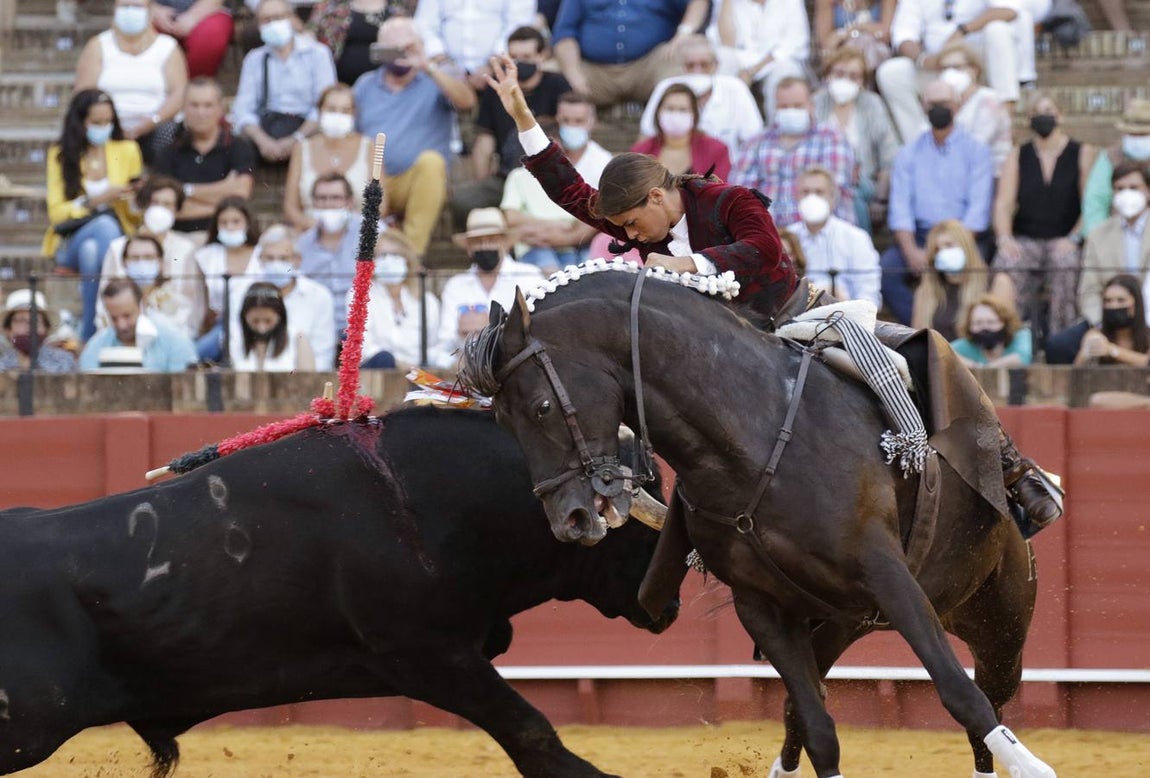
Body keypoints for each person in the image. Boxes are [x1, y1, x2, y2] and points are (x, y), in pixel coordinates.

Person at [487, 55, 797, 319]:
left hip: (787, 319)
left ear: (656, 196)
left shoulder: (732, 199)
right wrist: (522, 116)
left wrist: (686, 264)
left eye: (632, 224)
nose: (630, 235)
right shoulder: (639, 220)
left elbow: (766, 248)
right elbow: (570, 191)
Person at [353, 17, 476, 256]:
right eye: (395, 48)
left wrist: (427, 65)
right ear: (381, 50)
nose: (402, 54)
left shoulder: (435, 81)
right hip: (374, 177)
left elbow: (467, 101)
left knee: (432, 163)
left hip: (417, 181)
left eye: (409, 47)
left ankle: (410, 256)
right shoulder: (365, 85)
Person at [881, 79, 994, 325]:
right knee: (888, 270)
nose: (938, 109)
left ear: (958, 104)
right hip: (920, 236)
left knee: (980, 272)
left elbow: (978, 210)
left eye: (944, 103)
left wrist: (954, 243)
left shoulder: (977, 151)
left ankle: (964, 330)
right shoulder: (908, 153)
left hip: (965, 236)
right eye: (932, 104)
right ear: (923, 106)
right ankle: (923, 332)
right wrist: (912, 250)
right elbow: (899, 209)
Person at [993, 91, 1095, 338]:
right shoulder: (1019, 154)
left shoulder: (1082, 152)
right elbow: (1003, 204)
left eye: (1049, 112)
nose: (1043, 118)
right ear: (1029, 119)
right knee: (1006, 262)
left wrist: (1073, 238)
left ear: (1060, 115)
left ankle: (1061, 337)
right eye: (1037, 113)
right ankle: (1010, 335)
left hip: (1065, 237)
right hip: (1027, 237)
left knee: (1067, 264)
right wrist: (1005, 238)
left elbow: (1090, 205)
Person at [44, 89, 143, 342]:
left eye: (108, 122)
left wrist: (131, 199)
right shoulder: (60, 154)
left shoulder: (127, 149)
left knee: (92, 252)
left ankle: (89, 334)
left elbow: (134, 217)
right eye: (96, 123)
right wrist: (96, 200)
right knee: (103, 226)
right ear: (80, 123)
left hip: (115, 235)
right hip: (70, 239)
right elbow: (57, 214)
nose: (104, 128)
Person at [453, 26, 570, 230]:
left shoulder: (558, 85)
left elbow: (572, 127)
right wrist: (482, 180)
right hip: (507, 177)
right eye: (514, 56)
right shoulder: (496, 90)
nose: (519, 62)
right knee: (465, 201)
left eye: (526, 56)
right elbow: (484, 142)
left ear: (542, 55)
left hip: (549, 175)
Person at [876, 0, 1037, 143]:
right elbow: (903, 36)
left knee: (998, 30)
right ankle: (919, 144)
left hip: (978, 60)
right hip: (937, 63)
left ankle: (1005, 117)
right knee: (891, 72)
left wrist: (963, 31)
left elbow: (1009, 10)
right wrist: (923, 60)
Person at [731, 76, 857, 231]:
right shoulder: (755, 143)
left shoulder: (832, 138)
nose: (791, 111)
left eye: (798, 106)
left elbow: (835, 191)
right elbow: (741, 194)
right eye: (784, 106)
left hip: (819, 230)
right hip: (766, 233)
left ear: (811, 105)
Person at [74, 0, 187, 163]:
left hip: (154, 127)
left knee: (170, 133)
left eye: (137, 6)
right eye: (125, 6)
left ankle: (161, 183)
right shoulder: (98, 45)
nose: (130, 11)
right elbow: (83, 94)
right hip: (107, 127)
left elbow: (179, 93)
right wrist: (108, 123)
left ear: (150, 11)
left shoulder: (167, 47)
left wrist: (150, 122)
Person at [431, 208, 546, 368]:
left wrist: (488, 326)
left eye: (492, 240)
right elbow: (445, 342)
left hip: (517, 368)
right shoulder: (456, 286)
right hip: (469, 370)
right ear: (469, 248)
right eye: (478, 242)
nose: (485, 246)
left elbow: (538, 331)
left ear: (505, 243)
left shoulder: (529, 276)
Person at [99, 175, 206, 340]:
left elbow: (192, 307)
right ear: (144, 206)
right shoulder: (117, 248)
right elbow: (103, 302)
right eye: (155, 203)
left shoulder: (185, 250)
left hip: (172, 337)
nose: (160, 209)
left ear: (177, 211)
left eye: (167, 204)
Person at [501, 112, 609, 275]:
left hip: (573, 245)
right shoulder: (518, 176)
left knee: (590, 275)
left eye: (551, 145)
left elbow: (590, 214)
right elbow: (511, 216)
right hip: (535, 245)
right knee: (552, 275)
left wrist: (567, 235)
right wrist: (555, 226)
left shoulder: (572, 175)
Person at [232, 0, 338, 165]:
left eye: (278, 17)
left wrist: (296, 139)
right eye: (266, 19)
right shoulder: (255, 59)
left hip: (306, 130)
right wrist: (263, 141)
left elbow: (324, 105)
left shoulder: (317, 54)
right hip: (266, 130)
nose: (273, 23)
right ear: (258, 25)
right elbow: (242, 109)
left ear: (292, 18)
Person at [153, 78, 257, 241]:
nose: (201, 112)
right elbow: (166, 208)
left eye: (208, 105)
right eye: (194, 105)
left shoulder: (238, 146)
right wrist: (223, 198)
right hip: (177, 237)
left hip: (223, 237)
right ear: (183, 108)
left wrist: (185, 191)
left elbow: (240, 194)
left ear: (220, 109)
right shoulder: (168, 151)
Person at [551, 0, 709, 105]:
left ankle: (665, 140)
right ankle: (551, 147)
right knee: (548, 73)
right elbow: (564, 32)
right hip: (595, 72)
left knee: (680, 59)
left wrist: (683, 34)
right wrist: (572, 72)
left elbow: (696, 2)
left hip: (648, 66)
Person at [811, 46, 901, 232]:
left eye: (853, 76)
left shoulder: (872, 104)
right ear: (828, 74)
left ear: (862, 81)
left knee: (853, 199)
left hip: (861, 182)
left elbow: (889, 155)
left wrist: (881, 199)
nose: (845, 80)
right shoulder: (816, 102)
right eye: (839, 73)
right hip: (819, 178)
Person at [636, 35, 764, 157]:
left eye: (704, 65)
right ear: (682, 67)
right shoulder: (666, 88)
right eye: (690, 66)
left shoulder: (735, 88)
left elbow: (753, 139)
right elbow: (647, 134)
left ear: (716, 65)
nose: (698, 71)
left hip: (725, 171)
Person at [232, 224, 336, 370]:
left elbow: (323, 355)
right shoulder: (241, 293)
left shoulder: (319, 296)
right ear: (260, 259)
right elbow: (235, 344)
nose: (276, 264)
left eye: (283, 258)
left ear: (297, 259)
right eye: (270, 258)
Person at [284, 84, 377, 230]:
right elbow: (290, 207)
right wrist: (316, 228)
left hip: (357, 232)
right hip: (310, 231)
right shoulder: (302, 148)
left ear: (354, 114)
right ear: (320, 111)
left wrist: (348, 231)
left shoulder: (369, 147)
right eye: (331, 109)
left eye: (345, 111)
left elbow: (379, 206)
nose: (338, 115)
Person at [785, 166, 881, 306]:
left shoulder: (856, 238)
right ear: (797, 196)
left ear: (833, 197)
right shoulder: (786, 238)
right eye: (806, 192)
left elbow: (869, 297)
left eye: (819, 192)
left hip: (844, 318)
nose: (812, 198)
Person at [911, 219, 1014, 341]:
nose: (943, 253)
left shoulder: (997, 282)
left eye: (949, 245)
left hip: (982, 358)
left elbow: (1008, 333)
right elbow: (917, 339)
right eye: (937, 249)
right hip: (939, 358)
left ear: (966, 246)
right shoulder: (926, 291)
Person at [354, 230, 440, 369]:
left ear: (407, 260)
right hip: (376, 372)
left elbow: (434, 346)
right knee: (384, 358)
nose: (388, 260)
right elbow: (364, 348)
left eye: (395, 254)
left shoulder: (427, 301)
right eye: (382, 255)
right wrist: (402, 366)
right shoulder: (359, 295)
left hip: (419, 374)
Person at [1077, 162, 1150, 327]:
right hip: (1111, 318)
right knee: (1060, 345)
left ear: (1148, 191)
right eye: (1120, 188)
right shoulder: (1098, 234)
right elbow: (1089, 290)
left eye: (1134, 187)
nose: (1127, 194)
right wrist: (1100, 323)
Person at [709, 0, 809, 119]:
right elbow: (726, 43)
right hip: (742, 59)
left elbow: (794, 41)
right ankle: (723, 128)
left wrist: (752, 71)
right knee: (723, 60)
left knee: (784, 71)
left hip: (775, 60)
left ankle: (777, 130)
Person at [193, 197, 264, 362]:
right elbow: (201, 302)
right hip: (220, 326)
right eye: (223, 223)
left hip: (256, 324)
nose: (229, 227)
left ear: (248, 223)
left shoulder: (261, 254)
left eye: (236, 221)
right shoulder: (206, 256)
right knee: (194, 356)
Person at [413, 0, 536, 91]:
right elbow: (425, 25)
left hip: (500, 67)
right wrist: (448, 66)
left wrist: (491, 65)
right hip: (445, 68)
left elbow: (519, 24)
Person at [79, 278, 197, 371]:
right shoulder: (97, 346)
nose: (122, 325)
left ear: (142, 306)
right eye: (114, 318)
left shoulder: (173, 339)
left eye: (127, 316)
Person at [100, 233, 203, 337]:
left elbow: (181, 334)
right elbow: (105, 327)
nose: (142, 263)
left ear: (160, 262)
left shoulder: (174, 298)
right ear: (125, 263)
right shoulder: (114, 298)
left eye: (148, 257)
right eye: (135, 258)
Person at [296, 173, 361, 337]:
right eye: (322, 198)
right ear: (313, 204)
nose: (329, 204)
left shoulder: (372, 233)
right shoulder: (301, 245)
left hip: (363, 330)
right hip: (318, 331)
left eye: (336, 198)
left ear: (349, 202)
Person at [934, 43, 1012, 175]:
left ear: (974, 69)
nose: (949, 73)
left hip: (991, 175)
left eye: (957, 67)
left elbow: (977, 144)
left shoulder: (989, 99)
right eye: (944, 68)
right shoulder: (946, 104)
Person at [630, 84, 731, 180]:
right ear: (658, 112)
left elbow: (720, 192)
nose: (676, 115)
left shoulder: (716, 150)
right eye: (670, 109)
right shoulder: (641, 151)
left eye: (683, 110)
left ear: (694, 114)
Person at [1081, 98, 1150, 238]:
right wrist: (1099, 239)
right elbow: (1096, 202)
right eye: (1132, 134)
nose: (1137, 140)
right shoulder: (1110, 157)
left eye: (1143, 135)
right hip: (1117, 234)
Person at [309, 0, 419, 86]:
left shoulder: (399, 6)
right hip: (339, 85)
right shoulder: (331, 5)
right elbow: (310, 35)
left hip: (387, 85)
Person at [230, 281, 316, 371]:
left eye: (268, 321)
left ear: (280, 316)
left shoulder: (297, 338)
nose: (261, 328)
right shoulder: (234, 339)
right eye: (255, 321)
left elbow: (308, 379)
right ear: (245, 316)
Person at [151, 0, 234, 79]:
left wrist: (193, 17)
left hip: (208, 9)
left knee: (210, 37)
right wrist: (154, 10)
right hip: (151, 10)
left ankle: (194, 88)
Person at [0, 290, 77, 373]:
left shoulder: (64, 362)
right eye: (21, 320)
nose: (29, 327)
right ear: (9, 329)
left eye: (35, 320)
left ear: (46, 328)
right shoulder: (2, 366)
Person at [950, 294, 1033, 368]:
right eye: (978, 323)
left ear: (1005, 323)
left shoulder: (1021, 337)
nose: (985, 327)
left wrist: (983, 368)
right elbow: (944, 353)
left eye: (991, 322)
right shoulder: (966, 345)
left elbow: (1023, 357)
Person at [814, 0, 895, 73]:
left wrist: (853, 29)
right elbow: (827, 42)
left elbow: (885, 34)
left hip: (877, 56)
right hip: (840, 54)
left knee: (865, 40)